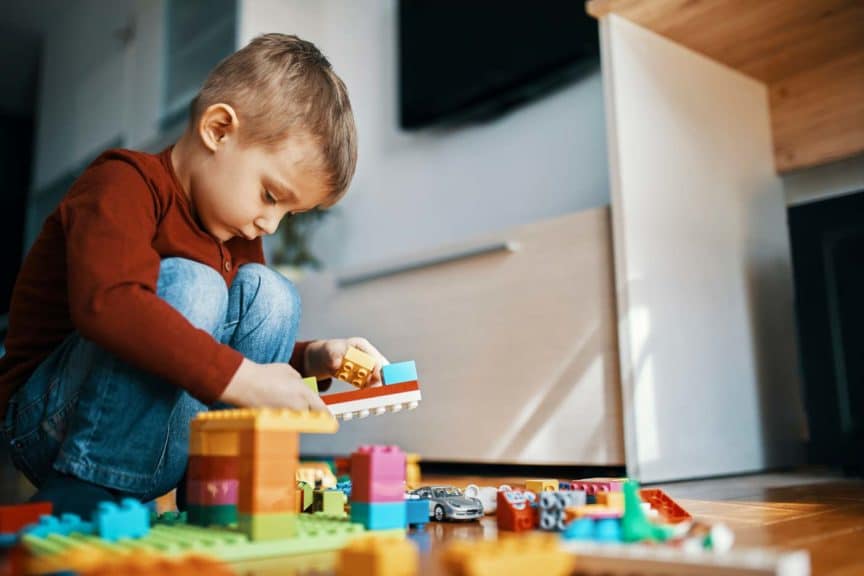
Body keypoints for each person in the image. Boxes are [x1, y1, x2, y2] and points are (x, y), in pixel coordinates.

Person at [0, 33, 386, 517]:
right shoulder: (124, 183)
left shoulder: (240, 233)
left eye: (291, 213)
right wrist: (243, 379)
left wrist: (313, 357)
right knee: (196, 283)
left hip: (166, 437)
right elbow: (111, 304)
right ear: (219, 129)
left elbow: (212, 347)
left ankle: (219, 485)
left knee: (272, 294)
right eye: (271, 195)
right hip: (54, 429)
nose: (271, 223)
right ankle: (90, 487)